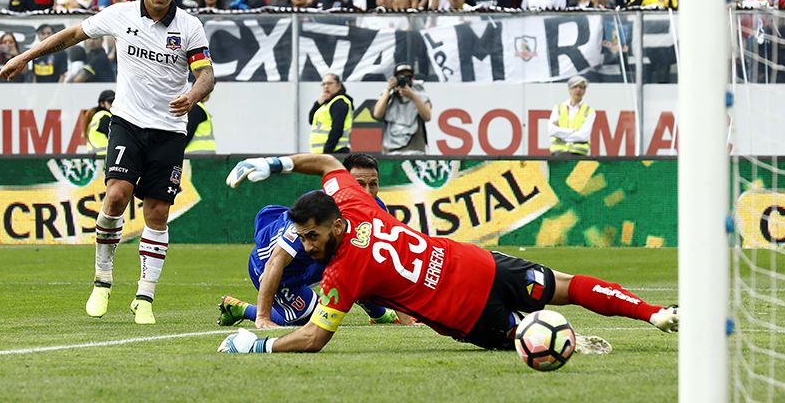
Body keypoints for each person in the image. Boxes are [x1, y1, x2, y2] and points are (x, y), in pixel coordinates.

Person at [217, 153, 679, 354]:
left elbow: (314, 340)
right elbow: (330, 165)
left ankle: (600, 333)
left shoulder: (342, 274)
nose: (308, 246)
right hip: (477, 263)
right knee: (566, 287)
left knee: (536, 336)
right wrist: (275, 164)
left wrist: (258, 344)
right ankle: (656, 313)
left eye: (312, 237)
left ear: (336, 226)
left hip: (467, 311)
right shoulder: (354, 202)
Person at [0, 0, 216, 325]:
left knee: (158, 212)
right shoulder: (121, 14)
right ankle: (102, 279)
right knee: (116, 195)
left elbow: (206, 74)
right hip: (128, 122)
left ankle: (144, 298)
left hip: (169, 129)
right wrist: (27, 56)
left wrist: (193, 95)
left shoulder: (190, 27)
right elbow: (71, 35)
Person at [217, 153, 400, 330]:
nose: (368, 193)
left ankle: (378, 315)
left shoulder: (377, 208)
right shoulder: (315, 213)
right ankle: (242, 309)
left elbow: (387, 262)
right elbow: (276, 261)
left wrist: (407, 318)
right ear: (346, 183)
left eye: (373, 184)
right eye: (360, 184)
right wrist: (263, 317)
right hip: (271, 267)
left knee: (362, 257)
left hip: (312, 262)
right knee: (311, 317)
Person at [373, 63, 431, 155]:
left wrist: (412, 95)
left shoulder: (420, 93)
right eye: (401, 77)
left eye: (407, 77)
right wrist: (388, 89)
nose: (404, 80)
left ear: (412, 78)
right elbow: (377, 114)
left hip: (414, 149)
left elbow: (427, 116)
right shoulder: (389, 95)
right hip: (391, 150)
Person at [548, 75, 596, 156]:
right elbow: (552, 131)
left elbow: (583, 136)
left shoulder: (589, 111)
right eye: (575, 86)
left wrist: (561, 132)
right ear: (569, 89)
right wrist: (573, 131)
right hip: (558, 155)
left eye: (582, 87)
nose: (578, 90)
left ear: (584, 91)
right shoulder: (558, 108)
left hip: (578, 155)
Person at [309, 73, 353, 154]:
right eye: (323, 84)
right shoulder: (326, 103)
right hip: (321, 152)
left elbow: (337, 129)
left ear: (339, 85)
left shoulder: (339, 103)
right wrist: (318, 103)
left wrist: (327, 151)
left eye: (329, 83)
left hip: (335, 151)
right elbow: (311, 120)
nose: (326, 86)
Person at [85, 89, 116, 156]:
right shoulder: (104, 117)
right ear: (102, 104)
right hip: (103, 157)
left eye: (115, 101)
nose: (113, 104)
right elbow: (116, 138)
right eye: (110, 101)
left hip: (95, 157)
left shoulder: (97, 116)